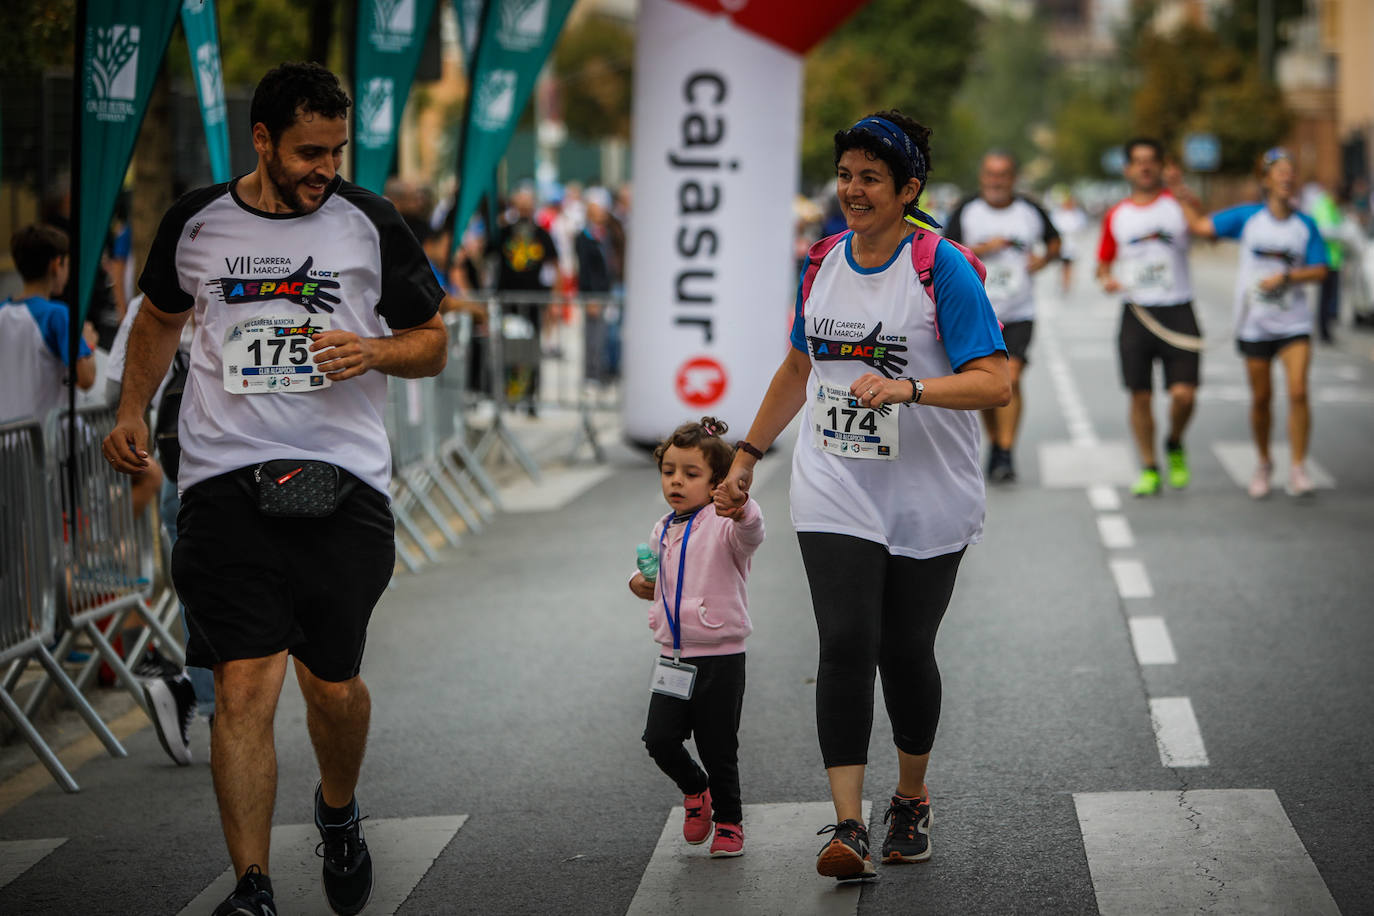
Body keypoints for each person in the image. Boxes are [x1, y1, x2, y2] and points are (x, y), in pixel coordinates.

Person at [101, 61, 447, 916]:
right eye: (306, 151)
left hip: (346, 482)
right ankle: (253, 886)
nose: (323, 169)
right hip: (224, 479)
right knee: (246, 682)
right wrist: (134, 409)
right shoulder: (198, 220)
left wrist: (371, 351)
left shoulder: (368, 221)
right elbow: (158, 317)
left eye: (334, 150)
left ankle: (337, 809)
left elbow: (432, 339)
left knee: (330, 684)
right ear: (261, 140)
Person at [714, 110, 1009, 880]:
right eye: (845, 175)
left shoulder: (942, 267)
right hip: (834, 481)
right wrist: (748, 453)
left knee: (905, 652)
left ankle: (909, 798)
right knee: (846, 643)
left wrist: (911, 389)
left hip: (926, 491)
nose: (852, 190)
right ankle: (846, 823)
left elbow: (994, 380)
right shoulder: (821, 262)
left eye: (870, 178)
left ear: (908, 189)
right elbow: (796, 368)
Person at [628, 417, 764, 859]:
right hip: (674, 656)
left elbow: (751, 532)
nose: (676, 482)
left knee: (718, 745)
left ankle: (729, 820)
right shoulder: (663, 527)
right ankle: (696, 789)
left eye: (691, 474)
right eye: (669, 471)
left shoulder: (725, 524)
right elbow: (656, 576)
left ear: (716, 482)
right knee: (659, 739)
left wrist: (741, 506)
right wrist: (638, 582)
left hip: (722, 656)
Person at [1172, 148, 1328, 498]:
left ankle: (1299, 467)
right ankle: (1263, 461)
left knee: (1299, 392)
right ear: (1265, 181)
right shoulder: (1248, 218)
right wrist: (1181, 195)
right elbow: (1199, 226)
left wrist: (1287, 276)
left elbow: (1321, 269)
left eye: (1292, 172)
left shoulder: (1306, 225)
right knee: (1262, 399)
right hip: (1255, 323)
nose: (1288, 177)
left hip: (1294, 323)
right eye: (1280, 172)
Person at [944, 151, 1060, 482]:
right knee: (985, 384)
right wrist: (983, 249)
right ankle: (995, 444)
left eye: (1003, 174)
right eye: (991, 174)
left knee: (1013, 377)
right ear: (982, 177)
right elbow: (943, 252)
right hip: (977, 312)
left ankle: (1006, 451)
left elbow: (1055, 242)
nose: (996, 181)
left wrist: (1044, 260)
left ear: (1013, 178)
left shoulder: (1029, 210)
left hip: (1019, 310)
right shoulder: (967, 210)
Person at [1096, 137, 1202, 497]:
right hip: (1136, 313)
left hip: (1178, 308)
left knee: (1184, 395)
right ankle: (1150, 465)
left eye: (1150, 161)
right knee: (1140, 396)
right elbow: (1103, 265)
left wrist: (1182, 192)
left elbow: (1204, 231)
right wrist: (1106, 279)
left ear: (1161, 166)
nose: (1144, 167)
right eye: (1137, 161)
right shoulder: (1117, 214)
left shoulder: (1178, 205)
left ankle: (1173, 442)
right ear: (1127, 169)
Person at [1, 223, 97, 423]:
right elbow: (85, 379)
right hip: (50, 443)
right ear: (56, 264)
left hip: (8, 444)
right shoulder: (57, 314)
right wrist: (88, 344)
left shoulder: (2, 312)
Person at [493, 185, 560, 416]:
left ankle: (531, 398)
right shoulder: (503, 231)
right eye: (519, 205)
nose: (523, 210)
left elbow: (555, 265)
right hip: (508, 302)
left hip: (533, 302)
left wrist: (553, 299)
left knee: (531, 353)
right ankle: (510, 397)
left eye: (527, 205)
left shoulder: (542, 234)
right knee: (509, 351)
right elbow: (485, 255)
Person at [1050, 191, 1089, 295]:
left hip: (1071, 245)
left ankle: (1067, 283)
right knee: (1062, 265)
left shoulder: (1077, 214)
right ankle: (1063, 282)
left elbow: (1081, 228)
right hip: (1061, 244)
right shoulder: (1057, 214)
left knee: (1068, 265)